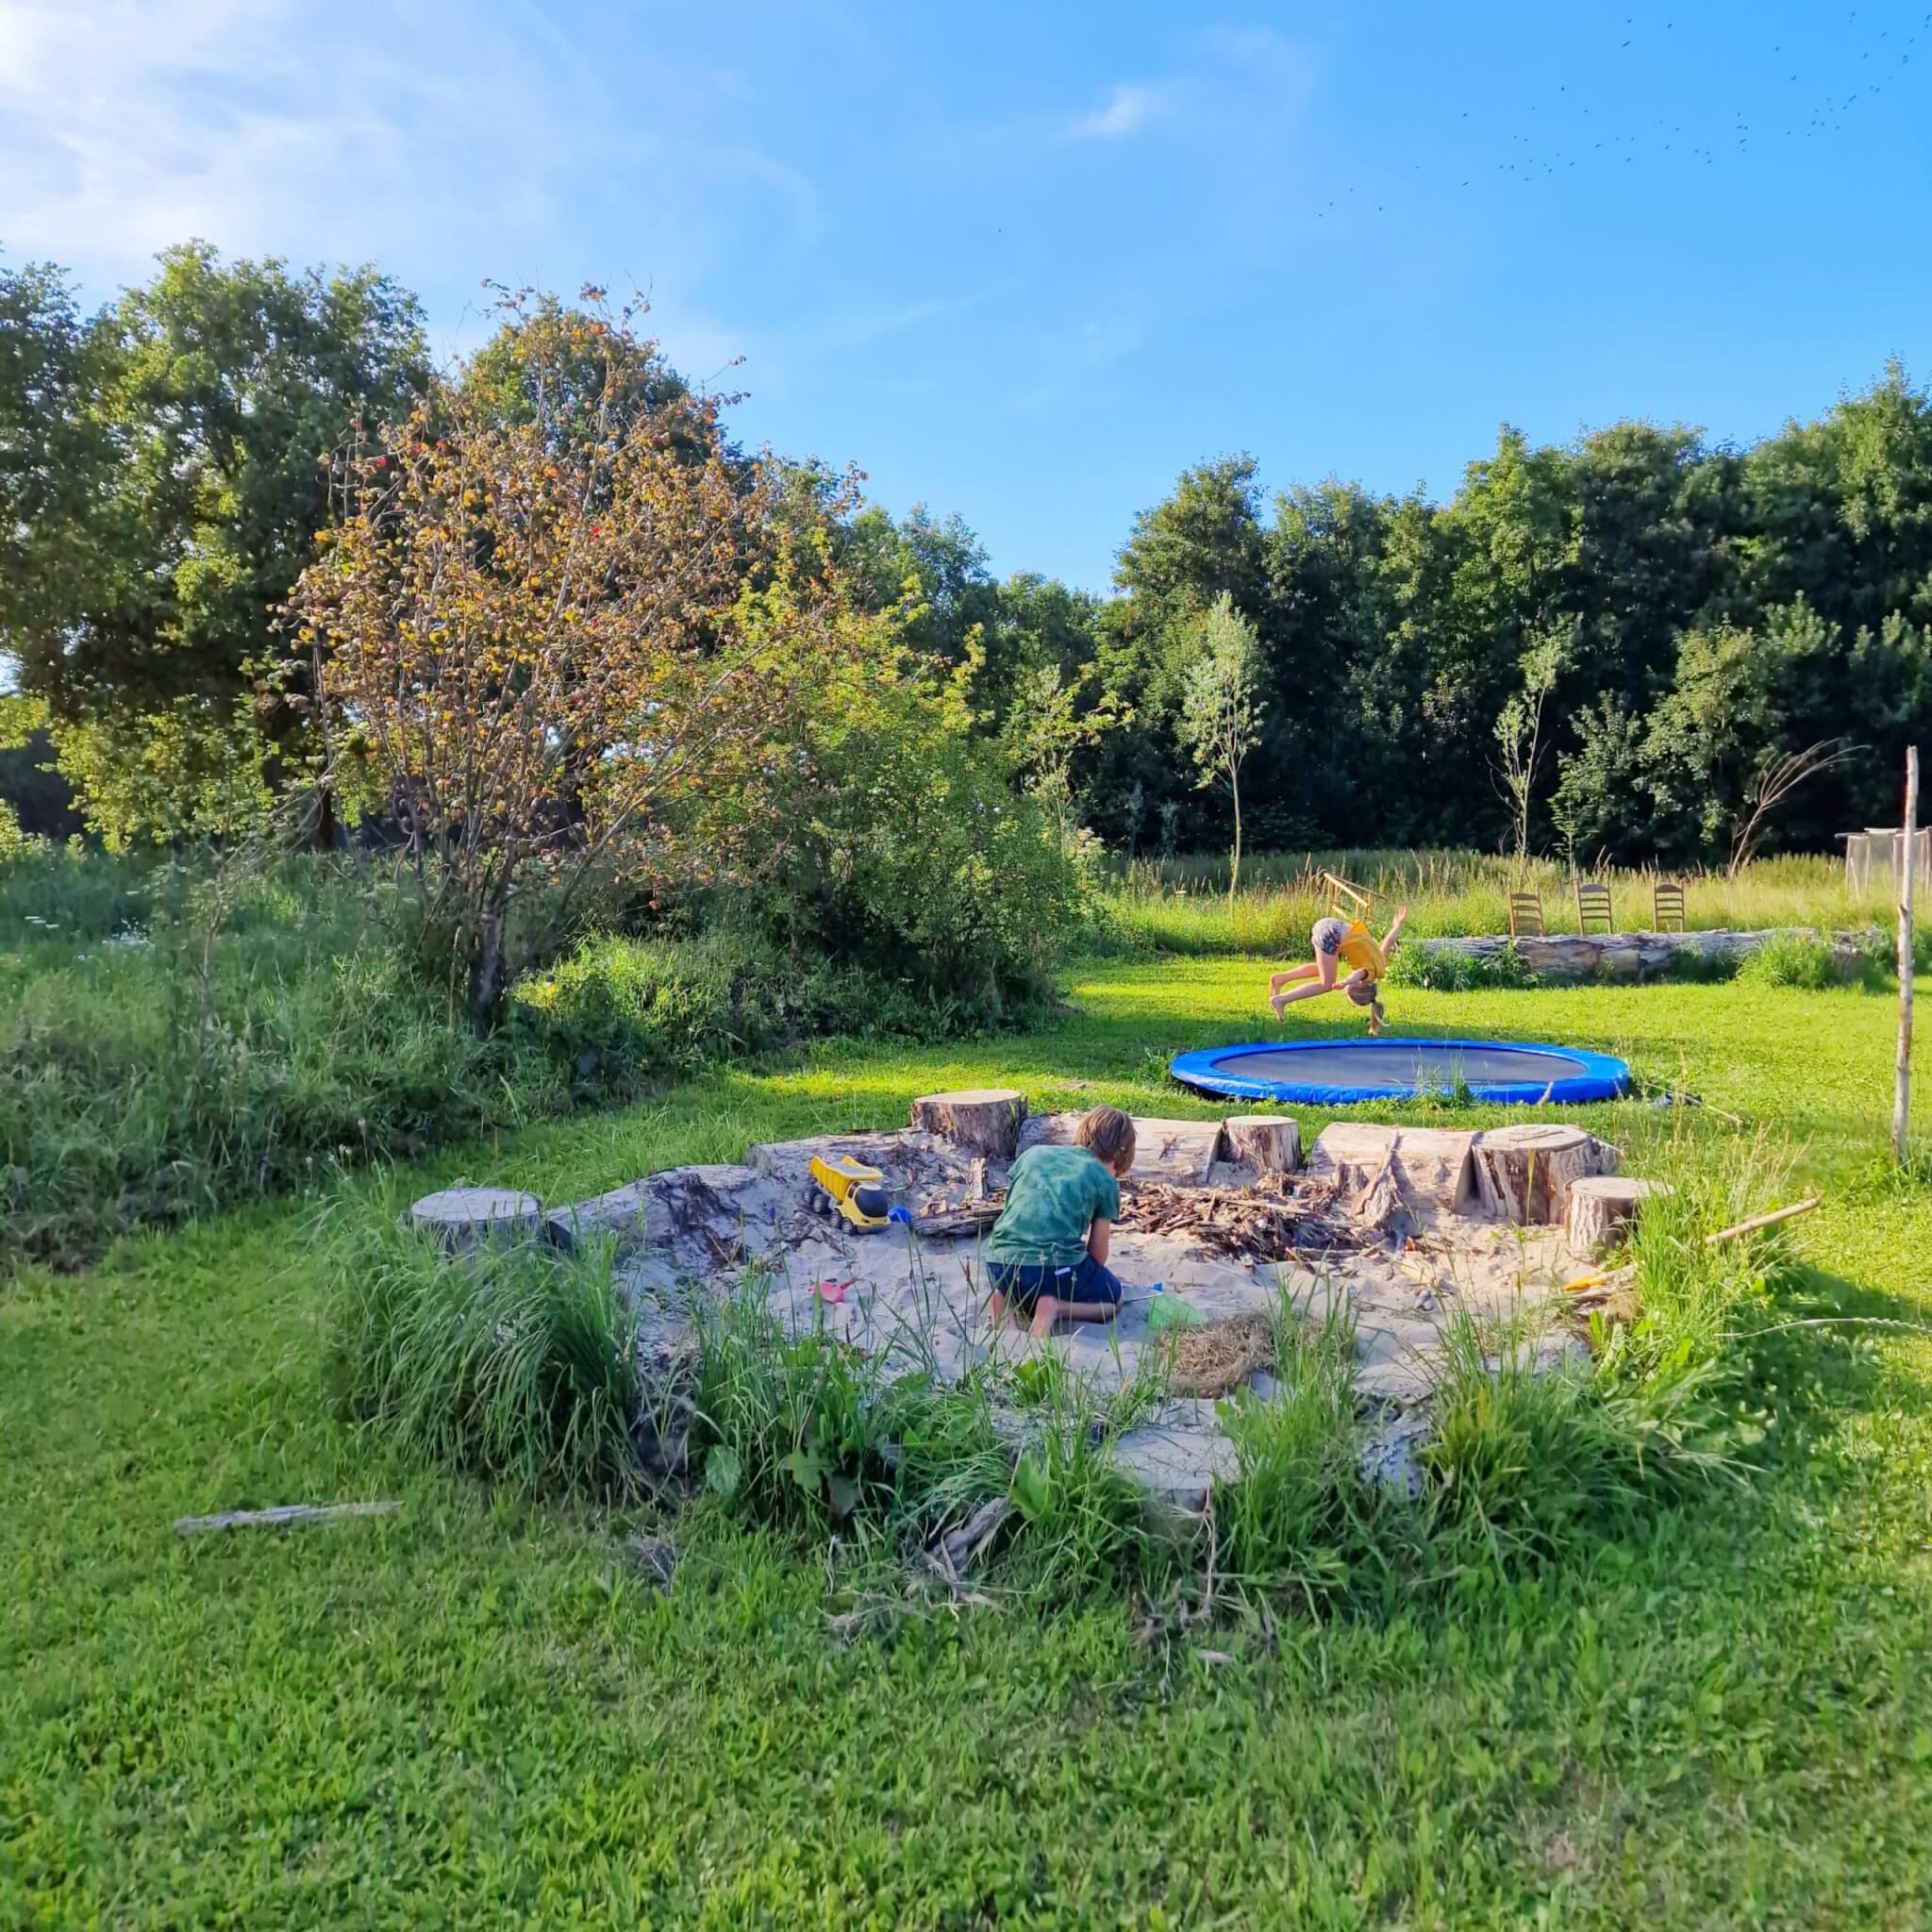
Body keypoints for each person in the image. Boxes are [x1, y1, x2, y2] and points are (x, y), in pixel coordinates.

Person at [983, 1105, 1137, 1341]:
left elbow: (1010, 1211)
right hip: (1054, 1269)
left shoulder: (1033, 1155)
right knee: (1114, 1299)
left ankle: (1003, 1298)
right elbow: (1097, 1255)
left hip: (998, 1263)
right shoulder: (1104, 1180)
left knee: (1018, 1277)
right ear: (1121, 1154)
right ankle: (1055, 1307)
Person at [1269, 904, 1408, 1033]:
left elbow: (1388, 942)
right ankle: (1281, 1000)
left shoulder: (1380, 966)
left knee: (1324, 969)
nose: (1346, 989)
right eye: (1350, 989)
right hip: (1331, 935)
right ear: (1361, 985)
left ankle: (1280, 979)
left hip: (1333, 924)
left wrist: (1398, 924)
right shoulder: (1367, 974)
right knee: (1327, 984)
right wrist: (1346, 981)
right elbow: (1359, 974)